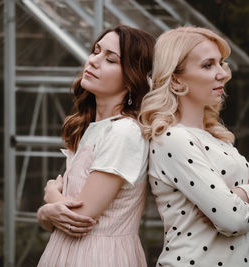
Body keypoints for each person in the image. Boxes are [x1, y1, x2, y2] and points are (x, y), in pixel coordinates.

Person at [138, 26, 249, 267]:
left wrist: (243, 194)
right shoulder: (172, 139)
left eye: (221, 63)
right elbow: (232, 219)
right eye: (208, 65)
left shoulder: (217, 139)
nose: (223, 74)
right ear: (175, 80)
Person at [36, 25, 155, 267]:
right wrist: (46, 213)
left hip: (99, 257)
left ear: (133, 78)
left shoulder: (124, 132)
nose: (93, 61)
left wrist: (50, 195)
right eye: (96, 51)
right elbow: (59, 221)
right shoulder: (95, 128)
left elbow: (80, 217)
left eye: (110, 59)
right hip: (67, 252)